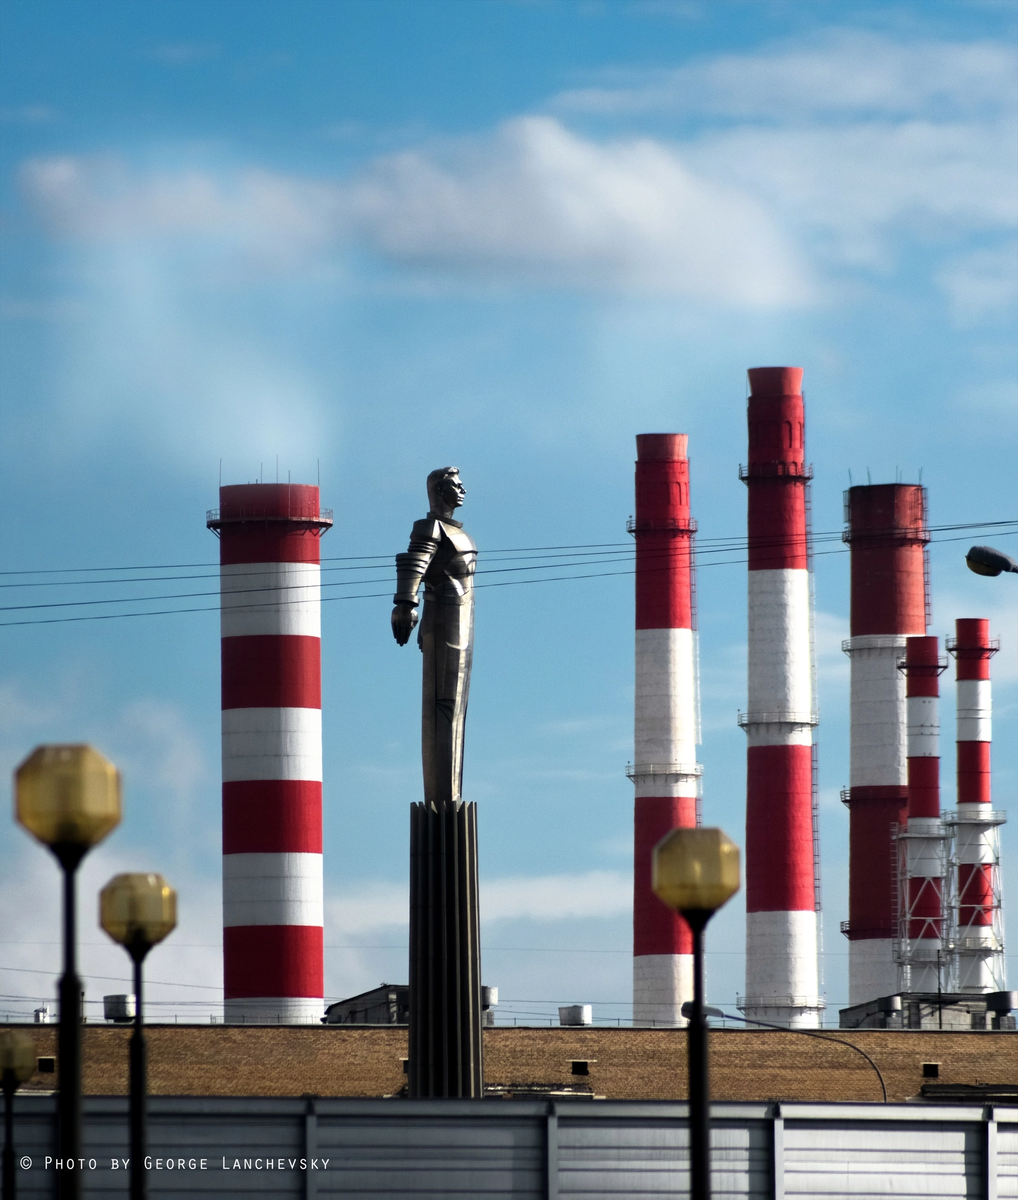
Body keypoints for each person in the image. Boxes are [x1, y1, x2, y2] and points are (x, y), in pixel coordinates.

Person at [392, 467, 477, 810]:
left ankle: (451, 794)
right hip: (444, 624)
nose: (463, 490)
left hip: (465, 623)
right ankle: (441, 799)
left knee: (458, 708)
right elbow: (415, 563)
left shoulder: (462, 535)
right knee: (443, 704)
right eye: (457, 486)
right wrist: (405, 604)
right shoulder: (430, 528)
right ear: (440, 491)